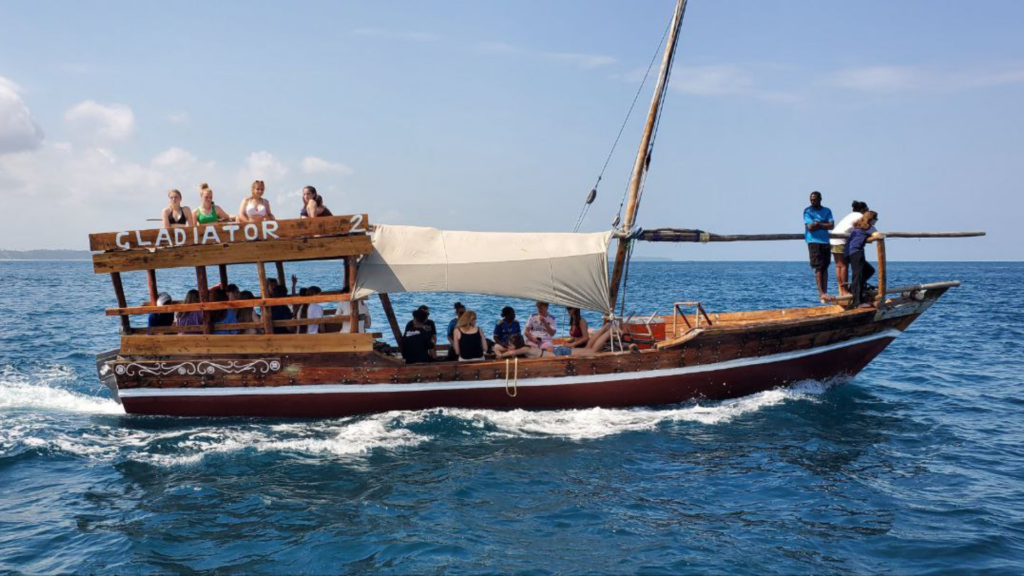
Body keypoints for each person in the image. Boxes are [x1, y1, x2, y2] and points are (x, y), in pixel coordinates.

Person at [497, 322, 620, 359]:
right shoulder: (526, 348)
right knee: (588, 348)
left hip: (559, 353)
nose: (509, 346)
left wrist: (499, 353)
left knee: (593, 351)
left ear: (516, 345)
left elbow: (512, 353)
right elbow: (513, 352)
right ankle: (605, 328)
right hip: (558, 351)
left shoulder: (524, 349)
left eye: (510, 344)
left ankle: (609, 332)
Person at [846, 210, 884, 309]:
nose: (876, 221)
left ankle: (855, 289)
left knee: (869, 270)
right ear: (871, 219)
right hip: (856, 252)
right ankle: (857, 302)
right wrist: (881, 235)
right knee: (857, 276)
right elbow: (878, 235)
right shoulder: (869, 227)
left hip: (848, 252)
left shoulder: (858, 226)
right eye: (876, 219)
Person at [831, 200, 870, 296]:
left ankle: (841, 290)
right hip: (841, 241)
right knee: (844, 266)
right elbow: (865, 227)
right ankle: (844, 291)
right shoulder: (860, 216)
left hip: (833, 239)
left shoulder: (851, 215)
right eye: (866, 210)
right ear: (862, 210)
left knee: (838, 266)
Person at [803, 191, 835, 302]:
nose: (813, 201)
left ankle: (825, 291)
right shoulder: (807, 211)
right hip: (814, 241)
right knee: (818, 267)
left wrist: (819, 224)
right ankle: (821, 293)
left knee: (825, 266)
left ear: (820, 199)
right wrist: (822, 225)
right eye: (811, 199)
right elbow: (810, 227)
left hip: (825, 241)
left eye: (815, 199)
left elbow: (831, 226)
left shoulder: (827, 211)